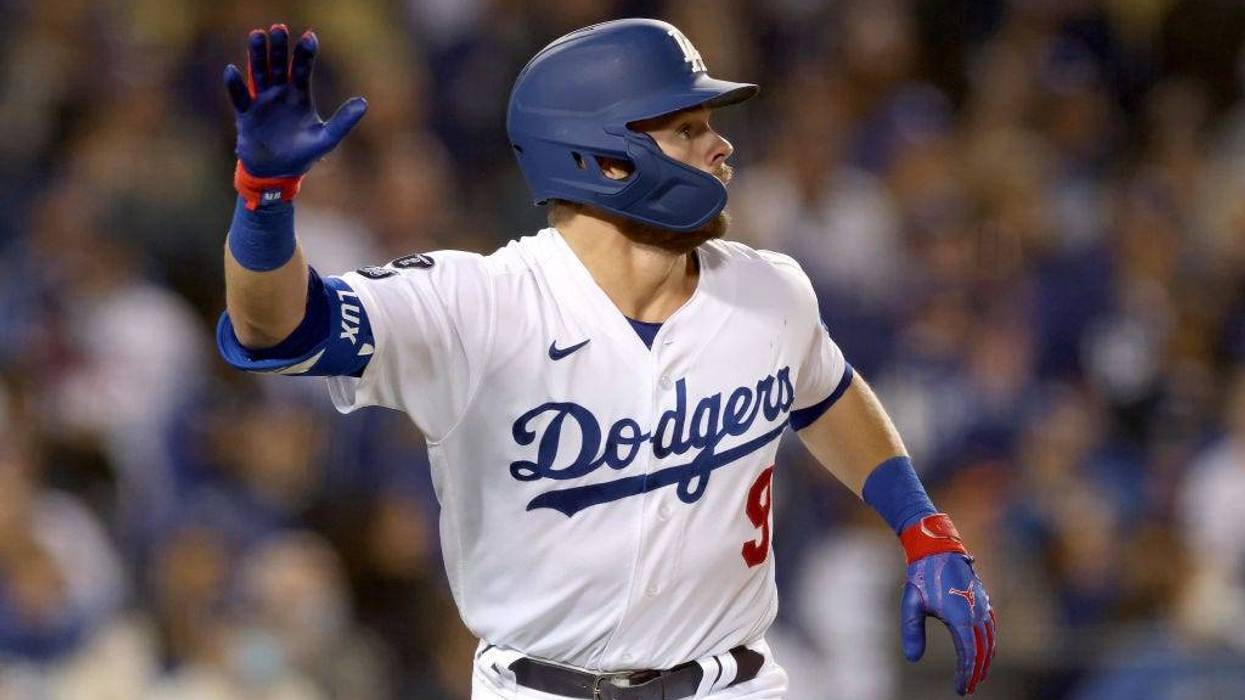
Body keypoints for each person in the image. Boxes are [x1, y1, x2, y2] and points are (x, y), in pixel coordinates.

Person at [216, 19, 997, 699]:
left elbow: (825, 393)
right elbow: (275, 328)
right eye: (687, 128)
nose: (721, 145)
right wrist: (264, 201)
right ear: (605, 158)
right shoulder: (476, 304)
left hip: (733, 682)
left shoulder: (770, 290)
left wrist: (923, 528)